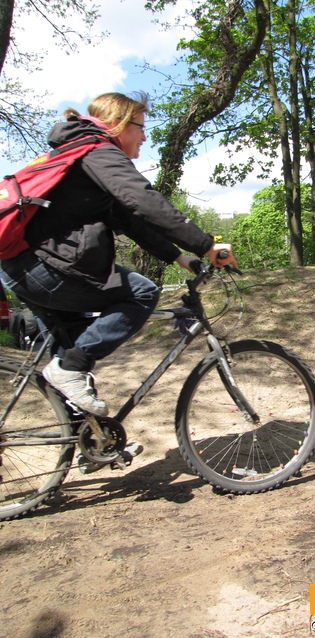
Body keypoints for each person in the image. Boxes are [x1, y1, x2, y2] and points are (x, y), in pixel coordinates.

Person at [0, 91, 237, 424]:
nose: (144, 136)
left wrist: (181, 257)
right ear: (118, 124)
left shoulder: (82, 155)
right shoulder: (98, 150)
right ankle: (69, 370)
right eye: (140, 126)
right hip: (39, 268)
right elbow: (142, 199)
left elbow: (129, 219)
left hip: (27, 267)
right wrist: (206, 244)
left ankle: (87, 439)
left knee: (74, 352)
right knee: (142, 292)